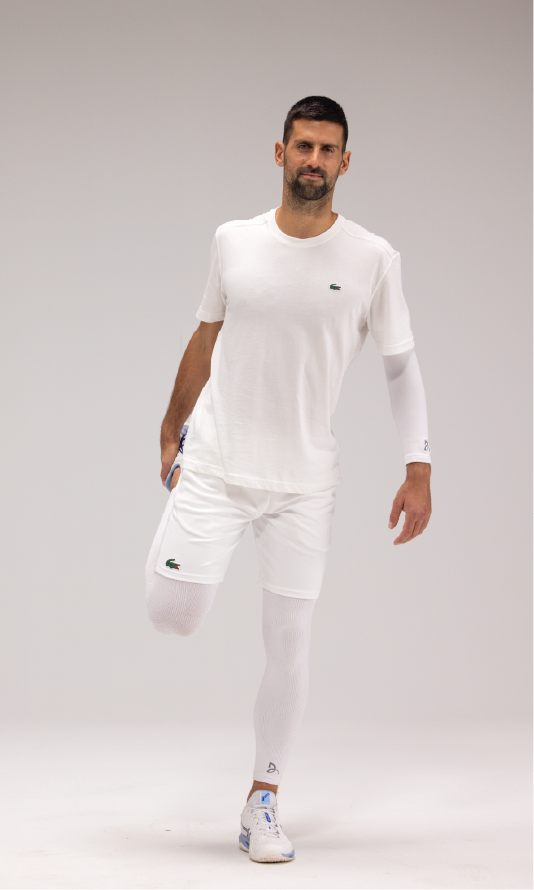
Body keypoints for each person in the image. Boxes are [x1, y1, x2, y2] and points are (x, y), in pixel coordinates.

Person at [144, 95, 432, 864]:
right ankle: (178, 525)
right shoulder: (234, 241)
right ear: (280, 153)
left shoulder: (373, 259)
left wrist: (419, 465)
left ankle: (263, 798)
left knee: (290, 639)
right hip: (216, 464)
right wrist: (172, 424)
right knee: (173, 616)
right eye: (302, 146)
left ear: (345, 162)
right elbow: (206, 335)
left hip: (305, 481)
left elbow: (399, 367)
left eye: (327, 149)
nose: (313, 160)